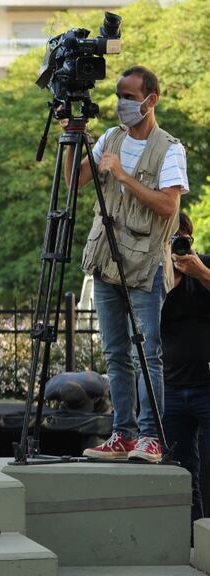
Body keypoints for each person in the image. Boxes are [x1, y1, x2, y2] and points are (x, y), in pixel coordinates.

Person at [66, 66, 188, 463]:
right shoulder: (110, 137)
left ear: (151, 100)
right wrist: (73, 140)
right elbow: (74, 182)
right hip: (106, 259)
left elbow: (168, 206)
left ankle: (151, 436)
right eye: (118, 96)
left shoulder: (170, 148)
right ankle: (122, 433)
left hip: (145, 264)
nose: (121, 104)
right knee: (115, 354)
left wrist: (122, 175)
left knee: (146, 354)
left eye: (129, 97)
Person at [160, 212, 210, 522]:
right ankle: (193, 536)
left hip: (206, 385)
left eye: (181, 240)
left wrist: (200, 271)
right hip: (171, 390)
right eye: (169, 241)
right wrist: (167, 280)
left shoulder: (203, 266)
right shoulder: (154, 277)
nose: (176, 248)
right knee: (181, 471)